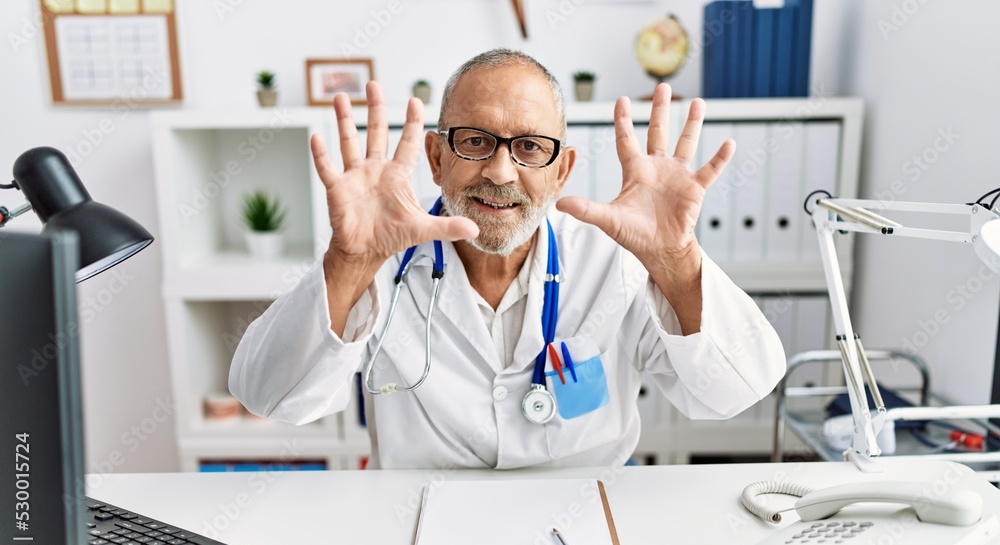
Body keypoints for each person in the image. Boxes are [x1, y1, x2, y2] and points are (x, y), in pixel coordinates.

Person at [230, 49, 785, 469]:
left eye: (529, 147)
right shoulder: (381, 259)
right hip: (418, 527)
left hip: (583, 525)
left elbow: (736, 392)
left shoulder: (614, 260)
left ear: (561, 170)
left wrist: (678, 258)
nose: (499, 172)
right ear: (435, 156)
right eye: (474, 141)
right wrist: (349, 263)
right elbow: (267, 395)